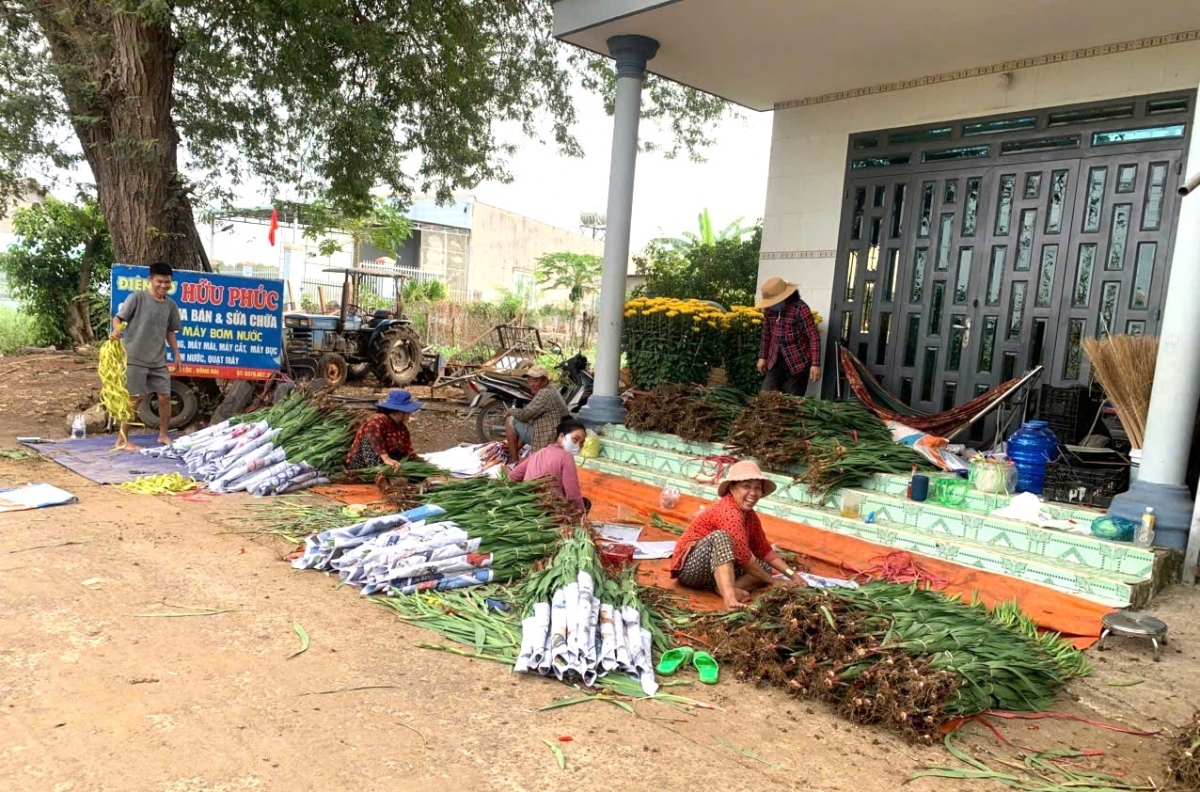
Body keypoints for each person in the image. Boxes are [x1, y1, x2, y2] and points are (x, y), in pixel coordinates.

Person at [670, 460, 806, 610]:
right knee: (720, 537)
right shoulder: (729, 511)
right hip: (691, 571)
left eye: (757, 488)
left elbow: (764, 549)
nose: (753, 493)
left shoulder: (750, 516)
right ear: (732, 488)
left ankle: (722, 587)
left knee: (764, 566)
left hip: (714, 573)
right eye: (746, 486)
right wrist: (772, 581)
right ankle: (730, 598)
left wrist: (792, 575)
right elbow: (744, 557)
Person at [111, 261, 182, 447]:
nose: (163, 285)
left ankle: (163, 435)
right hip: (134, 357)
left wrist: (176, 353)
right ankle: (122, 440)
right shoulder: (138, 298)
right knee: (134, 398)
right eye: (159, 281)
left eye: (167, 282)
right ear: (150, 279)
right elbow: (118, 318)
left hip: (158, 359)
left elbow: (170, 331)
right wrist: (117, 330)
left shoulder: (170, 305)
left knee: (165, 396)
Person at [756, 276, 822, 397]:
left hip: (798, 361)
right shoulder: (769, 310)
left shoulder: (800, 308)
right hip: (776, 359)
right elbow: (766, 334)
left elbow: (813, 336)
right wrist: (762, 357)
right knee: (766, 396)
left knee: (791, 401)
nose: (772, 305)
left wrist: (815, 364)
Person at [508, 417, 589, 514]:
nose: (578, 445)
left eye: (581, 443)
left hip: (526, 506)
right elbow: (572, 493)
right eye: (575, 439)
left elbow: (513, 476)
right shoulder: (566, 457)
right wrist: (581, 517)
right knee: (585, 503)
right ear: (562, 436)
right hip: (549, 512)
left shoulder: (540, 452)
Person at [345, 389, 423, 470]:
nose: (410, 413)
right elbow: (372, 434)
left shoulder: (402, 429)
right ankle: (378, 473)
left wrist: (420, 463)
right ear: (400, 412)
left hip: (387, 464)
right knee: (369, 439)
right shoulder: (378, 419)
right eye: (408, 411)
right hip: (363, 464)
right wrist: (386, 458)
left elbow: (408, 451)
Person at [505, 365, 568, 461]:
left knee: (510, 420)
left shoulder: (544, 393)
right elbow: (530, 412)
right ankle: (515, 452)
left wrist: (511, 411)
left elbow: (524, 415)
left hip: (548, 439)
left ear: (544, 381)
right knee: (526, 421)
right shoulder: (552, 390)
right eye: (529, 381)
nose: (531, 384)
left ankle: (514, 461)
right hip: (556, 434)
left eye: (535, 381)